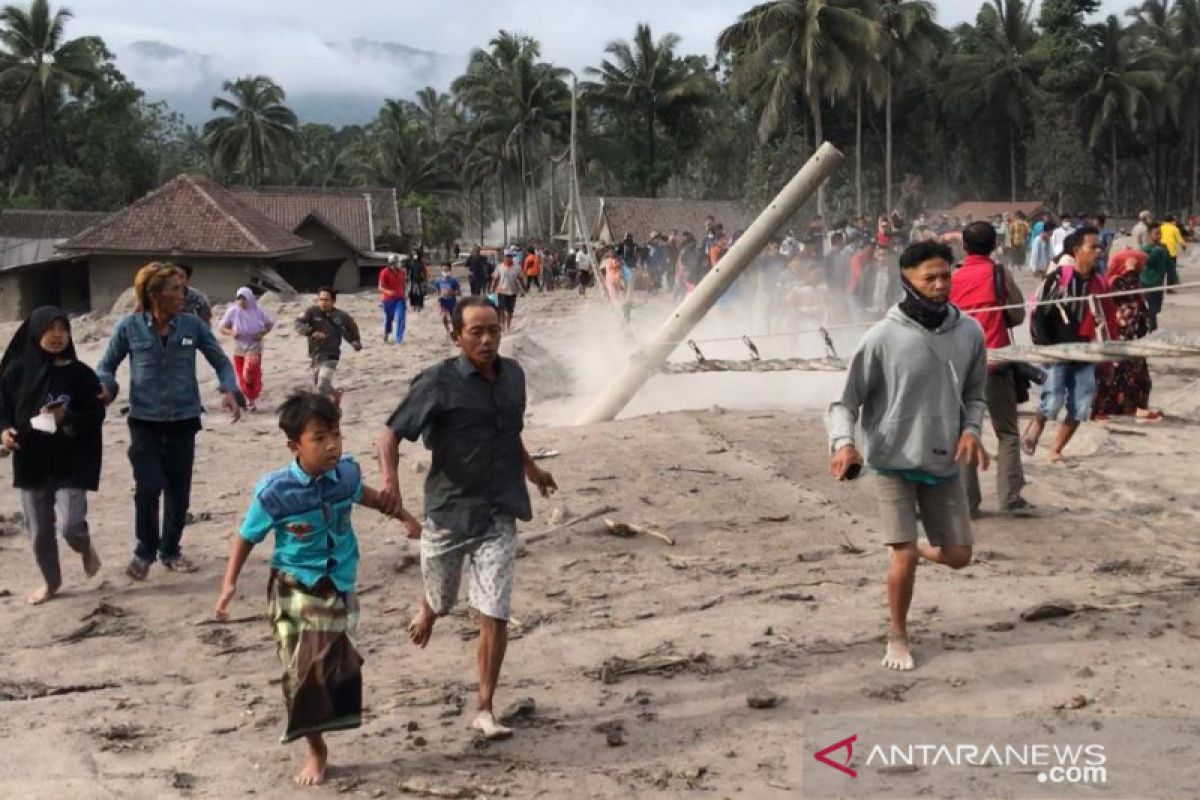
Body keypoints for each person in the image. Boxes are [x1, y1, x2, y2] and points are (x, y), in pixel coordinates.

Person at [215, 391, 420, 787]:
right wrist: (228, 585)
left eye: (336, 435)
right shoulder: (274, 493)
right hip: (293, 586)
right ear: (294, 445)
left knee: (337, 665)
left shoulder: (344, 475)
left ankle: (323, 725)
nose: (331, 445)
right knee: (301, 668)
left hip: (339, 582)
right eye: (320, 437)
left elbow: (372, 498)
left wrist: (407, 518)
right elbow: (246, 538)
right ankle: (315, 749)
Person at [377, 297, 557, 740]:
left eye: (493, 329)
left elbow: (508, 433)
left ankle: (484, 707)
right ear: (455, 335)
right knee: (441, 597)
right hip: (449, 512)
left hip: (499, 508)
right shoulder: (438, 382)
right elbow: (390, 433)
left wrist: (533, 471)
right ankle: (430, 608)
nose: (487, 339)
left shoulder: (513, 376)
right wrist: (390, 486)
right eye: (475, 331)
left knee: (493, 611)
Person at [827, 240, 988, 672]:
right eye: (928, 278)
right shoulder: (881, 337)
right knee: (902, 557)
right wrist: (844, 442)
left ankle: (914, 547)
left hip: (942, 461)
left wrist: (972, 430)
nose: (940, 285)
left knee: (958, 556)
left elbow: (976, 394)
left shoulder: (970, 332)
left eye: (945, 276)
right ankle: (897, 635)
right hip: (893, 461)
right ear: (907, 280)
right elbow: (844, 402)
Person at [96, 262, 242, 580]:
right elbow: (105, 367)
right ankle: (143, 552)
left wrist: (229, 388)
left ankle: (171, 551)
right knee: (148, 486)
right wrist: (106, 388)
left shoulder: (193, 326)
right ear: (154, 294)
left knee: (178, 490)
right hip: (144, 422)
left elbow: (221, 362)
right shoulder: (128, 328)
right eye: (175, 289)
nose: (183, 294)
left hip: (184, 420)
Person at [0, 307, 104, 605]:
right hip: (31, 461)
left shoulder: (81, 374)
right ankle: (51, 582)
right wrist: (5, 431)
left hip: (72, 459)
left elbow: (95, 413)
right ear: (35, 333)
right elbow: (3, 411)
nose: (57, 335)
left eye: (62, 328)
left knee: (71, 525)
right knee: (39, 533)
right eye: (49, 328)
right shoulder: (16, 372)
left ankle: (83, 545)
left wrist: (66, 416)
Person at [949, 221, 1032, 517]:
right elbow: (1018, 314)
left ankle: (967, 503)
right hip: (995, 361)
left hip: (959, 365)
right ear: (995, 243)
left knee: (964, 431)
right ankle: (1010, 498)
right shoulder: (999, 273)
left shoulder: (952, 278)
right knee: (1007, 432)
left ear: (964, 246)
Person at [1022, 228, 1117, 463]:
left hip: (1086, 351)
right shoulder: (1059, 278)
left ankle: (1056, 449)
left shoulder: (1099, 284)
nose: (1099, 251)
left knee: (1082, 404)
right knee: (1053, 399)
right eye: (1092, 247)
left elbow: (1108, 320)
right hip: (1057, 349)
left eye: (1100, 247)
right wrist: (1044, 348)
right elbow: (1039, 314)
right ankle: (1035, 426)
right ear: (1076, 251)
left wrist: (1108, 358)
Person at [1093, 249, 1160, 420]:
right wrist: (1130, 269)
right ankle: (1111, 409)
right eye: (1139, 264)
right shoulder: (1118, 281)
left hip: (1134, 336)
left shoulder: (1133, 282)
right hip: (1121, 335)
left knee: (1140, 377)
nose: (1141, 268)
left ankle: (1136, 407)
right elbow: (1126, 292)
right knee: (1121, 376)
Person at [294, 287, 362, 403]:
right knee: (320, 384)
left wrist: (355, 341)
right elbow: (298, 323)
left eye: (326, 300)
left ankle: (320, 410)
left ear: (333, 301)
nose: (323, 303)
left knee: (321, 386)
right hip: (315, 354)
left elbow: (351, 329)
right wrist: (311, 332)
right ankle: (336, 394)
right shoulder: (311, 312)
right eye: (320, 299)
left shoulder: (341, 316)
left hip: (331, 355)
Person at [219, 287, 274, 413]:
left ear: (249, 299)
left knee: (249, 370)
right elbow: (222, 327)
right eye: (239, 299)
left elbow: (269, 324)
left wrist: (262, 334)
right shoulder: (233, 311)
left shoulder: (257, 311)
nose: (241, 302)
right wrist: (232, 332)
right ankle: (250, 399)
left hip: (254, 345)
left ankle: (252, 394)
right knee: (241, 375)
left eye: (244, 299)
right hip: (239, 347)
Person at [1142, 222, 1174, 331]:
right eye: (1156, 234)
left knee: (1156, 309)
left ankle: (1151, 327)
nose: (1159, 236)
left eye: (1160, 233)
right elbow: (1147, 262)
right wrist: (1155, 253)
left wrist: (1172, 277)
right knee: (1151, 309)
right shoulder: (1145, 249)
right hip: (1147, 282)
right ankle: (1151, 329)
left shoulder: (1164, 247)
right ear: (1149, 234)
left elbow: (1169, 263)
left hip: (1159, 282)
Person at [490, 254, 524, 332]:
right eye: (507, 256)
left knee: (510, 310)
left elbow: (521, 279)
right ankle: (503, 324)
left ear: (512, 258)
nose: (508, 258)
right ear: (504, 257)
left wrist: (523, 290)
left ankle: (508, 325)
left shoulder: (517, 267)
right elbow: (495, 278)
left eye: (510, 256)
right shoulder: (499, 267)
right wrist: (492, 288)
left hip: (512, 291)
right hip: (501, 290)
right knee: (501, 308)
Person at [378, 255, 407, 344]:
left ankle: (399, 339)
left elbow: (403, 285)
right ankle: (386, 333)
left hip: (400, 298)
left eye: (397, 262)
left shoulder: (402, 272)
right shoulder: (384, 272)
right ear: (391, 263)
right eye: (395, 262)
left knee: (401, 317)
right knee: (388, 319)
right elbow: (380, 287)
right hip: (388, 299)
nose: (397, 264)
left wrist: (405, 296)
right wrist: (388, 292)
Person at [434, 262, 463, 337]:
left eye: (447, 270)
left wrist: (451, 292)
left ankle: (455, 330)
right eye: (443, 270)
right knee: (444, 317)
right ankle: (448, 331)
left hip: (452, 302)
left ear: (450, 270)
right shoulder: (438, 280)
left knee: (453, 318)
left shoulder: (454, 280)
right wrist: (438, 297)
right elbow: (437, 291)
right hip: (443, 302)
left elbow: (459, 293)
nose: (445, 272)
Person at [1160, 214, 1185, 278]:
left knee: (1161, 269)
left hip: (1161, 252)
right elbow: (1180, 240)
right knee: (1171, 270)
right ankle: (1170, 285)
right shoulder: (1174, 229)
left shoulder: (1160, 227)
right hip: (1172, 253)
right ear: (1172, 221)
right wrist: (1184, 246)